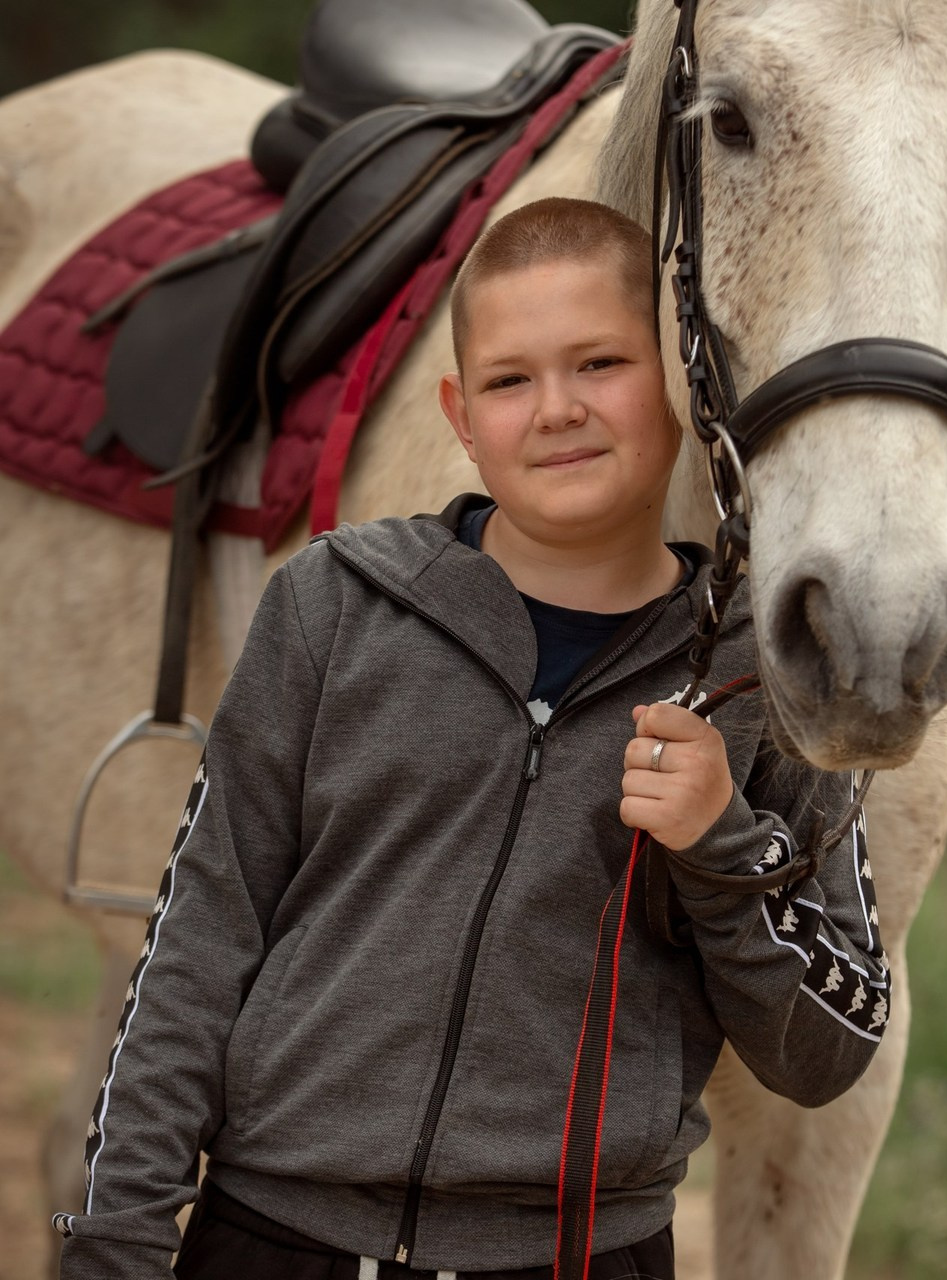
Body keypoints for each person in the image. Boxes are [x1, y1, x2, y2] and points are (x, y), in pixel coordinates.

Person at [55, 197, 890, 1280]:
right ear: (460, 413)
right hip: (272, 1238)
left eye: (600, 363)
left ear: (683, 379)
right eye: (508, 380)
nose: (557, 410)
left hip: (579, 1256)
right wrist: (116, 1239)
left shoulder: (760, 676)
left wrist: (722, 844)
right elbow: (196, 945)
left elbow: (830, 1050)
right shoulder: (331, 604)